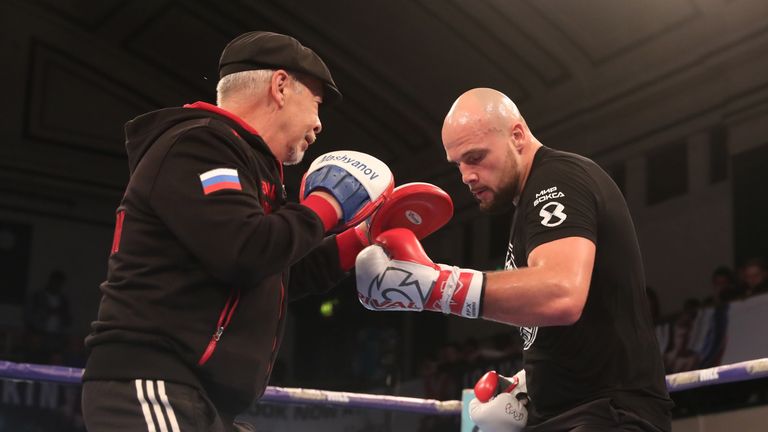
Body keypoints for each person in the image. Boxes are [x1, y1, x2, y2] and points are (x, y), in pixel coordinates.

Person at [81, 31, 399, 432]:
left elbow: (276, 272)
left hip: (203, 399)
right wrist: (331, 202)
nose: (319, 124)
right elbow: (245, 250)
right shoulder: (197, 144)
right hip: (154, 383)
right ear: (280, 86)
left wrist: (360, 240)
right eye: (316, 104)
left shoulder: (256, 170)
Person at [355, 88, 674, 431]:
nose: (466, 175)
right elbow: (569, 325)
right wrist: (530, 386)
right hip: (573, 413)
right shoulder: (529, 205)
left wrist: (436, 287)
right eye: (458, 163)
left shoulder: (558, 180)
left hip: (609, 415)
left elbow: (561, 293)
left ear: (517, 136)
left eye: (475, 157)